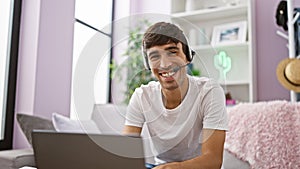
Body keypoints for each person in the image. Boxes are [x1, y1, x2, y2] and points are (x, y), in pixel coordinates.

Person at [123, 22, 228, 169]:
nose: (164, 64)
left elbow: (213, 161)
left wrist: (170, 168)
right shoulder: (142, 96)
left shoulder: (209, 92)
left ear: (187, 56)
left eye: (172, 52)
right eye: (154, 56)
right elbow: (125, 154)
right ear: (148, 65)